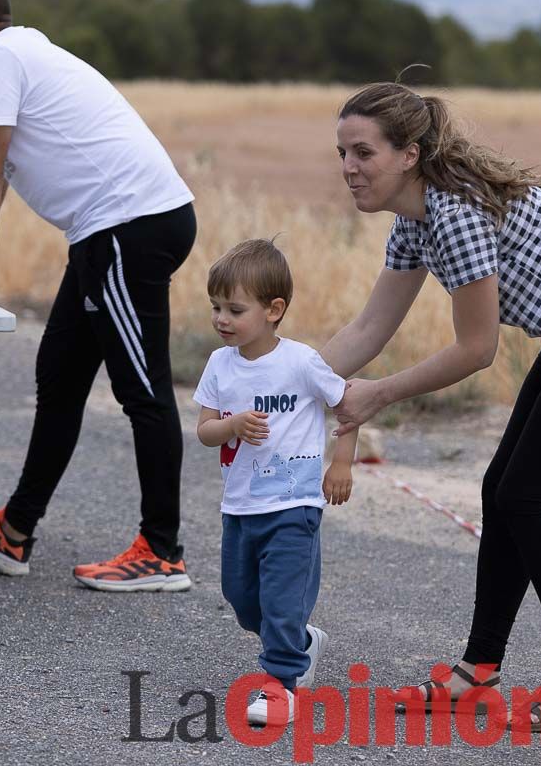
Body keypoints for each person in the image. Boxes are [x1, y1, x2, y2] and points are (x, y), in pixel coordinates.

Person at [320, 82, 541, 729]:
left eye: (362, 152)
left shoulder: (454, 214)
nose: (348, 168)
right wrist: (288, 385)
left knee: (525, 497)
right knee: (501, 490)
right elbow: (370, 329)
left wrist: (376, 395)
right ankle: (477, 672)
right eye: (341, 152)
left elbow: (477, 349)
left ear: (409, 154)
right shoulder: (412, 219)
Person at [0, 0, 197, 591]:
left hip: (130, 227)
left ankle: (162, 551)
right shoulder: (22, 48)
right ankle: (13, 531)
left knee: (142, 390)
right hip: (112, 231)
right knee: (61, 376)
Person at [193, 239, 360, 726]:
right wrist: (232, 426)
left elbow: (348, 409)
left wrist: (341, 465)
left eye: (234, 309)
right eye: (215, 307)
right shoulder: (218, 365)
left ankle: (280, 684)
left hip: (295, 506)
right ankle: (302, 643)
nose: (222, 318)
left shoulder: (301, 362)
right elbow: (205, 432)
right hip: (240, 508)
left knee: (282, 601)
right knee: (244, 602)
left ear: (274, 310)